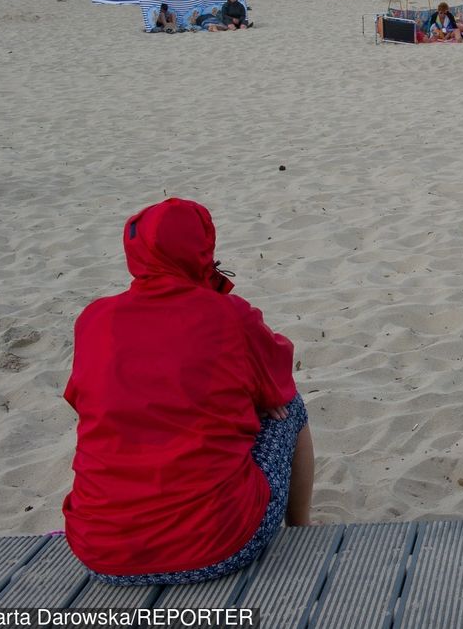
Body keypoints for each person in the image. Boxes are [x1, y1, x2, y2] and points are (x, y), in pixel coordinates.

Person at [63, 198, 314, 585]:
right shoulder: (228, 314)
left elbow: (85, 400)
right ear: (202, 247)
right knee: (291, 408)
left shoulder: (94, 319)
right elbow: (279, 386)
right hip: (218, 546)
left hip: (100, 554)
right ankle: (303, 530)